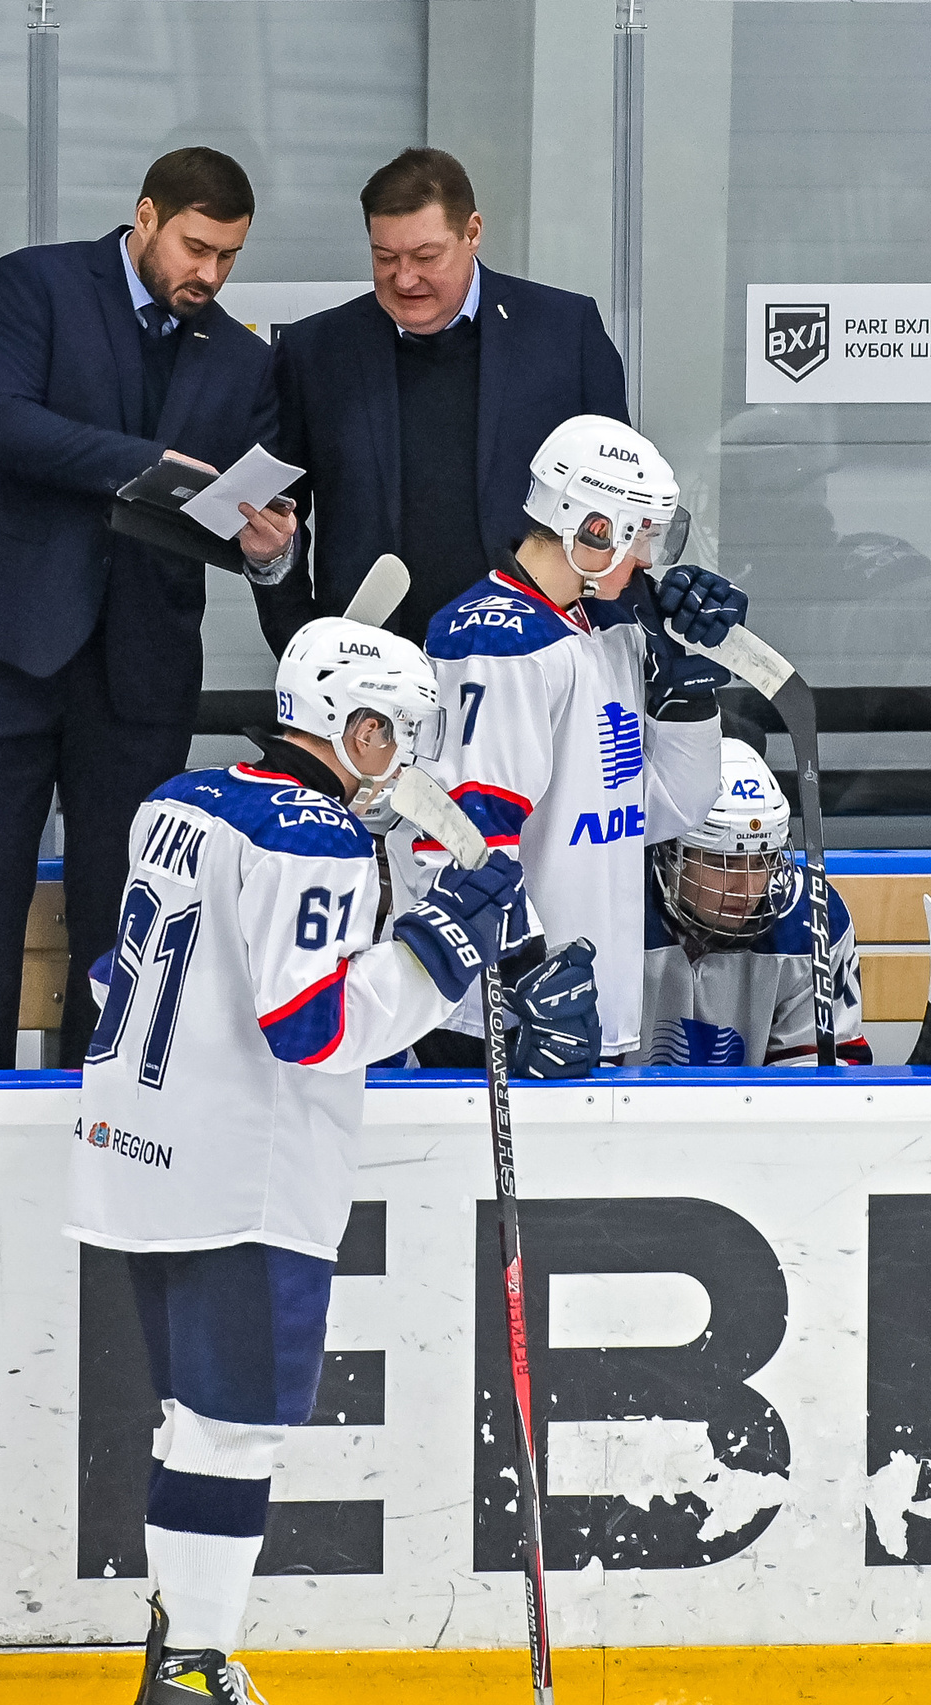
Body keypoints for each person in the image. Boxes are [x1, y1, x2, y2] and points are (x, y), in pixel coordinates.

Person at [70, 617, 531, 1705]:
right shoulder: (312, 835)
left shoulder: (176, 800)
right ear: (352, 727)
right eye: (396, 738)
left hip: (138, 1156)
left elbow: (111, 974)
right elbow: (310, 1027)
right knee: (234, 1433)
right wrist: (441, 949)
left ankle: (175, 1649)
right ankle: (190, 1673)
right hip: (246, 1178)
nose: (407, 765)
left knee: (198, 1423)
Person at [0, 146, 296, 1070]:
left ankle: (104, 1128)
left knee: (125, 914)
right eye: (196, 248)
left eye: (230, 258)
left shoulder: (245, 360)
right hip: (0, 644)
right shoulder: (37, 284)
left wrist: (268, 552)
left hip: (141, 671)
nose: (209, 274)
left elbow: (245, 502)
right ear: (146, 216)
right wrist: (144, 467)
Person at [404, 415, 743, 1071]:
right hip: (506, 1011)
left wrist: (687, 701)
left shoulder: (604, 632)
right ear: (590, 526)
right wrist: (533, 972)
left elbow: (652, 810)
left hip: (591, 1004)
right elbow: (463, 840)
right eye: (638, 533)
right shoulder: (496, 641)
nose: (648, 557)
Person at [254, 147, 631, 653]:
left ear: (472, 232)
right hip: (375, 679)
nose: (404, 279)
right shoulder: (316, 353)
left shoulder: (564, 334)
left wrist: (621, 647)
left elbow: (620, 505)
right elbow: (277, 526)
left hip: (540, 666)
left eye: (426, 257)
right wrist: (307, 651)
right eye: (384, 257)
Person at [633, 737, 867, 1066]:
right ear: (670, 854)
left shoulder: (810, 918)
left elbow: (820, 1086)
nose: (747, 888)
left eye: (762, 861)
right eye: (720, 863)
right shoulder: (617, 909)